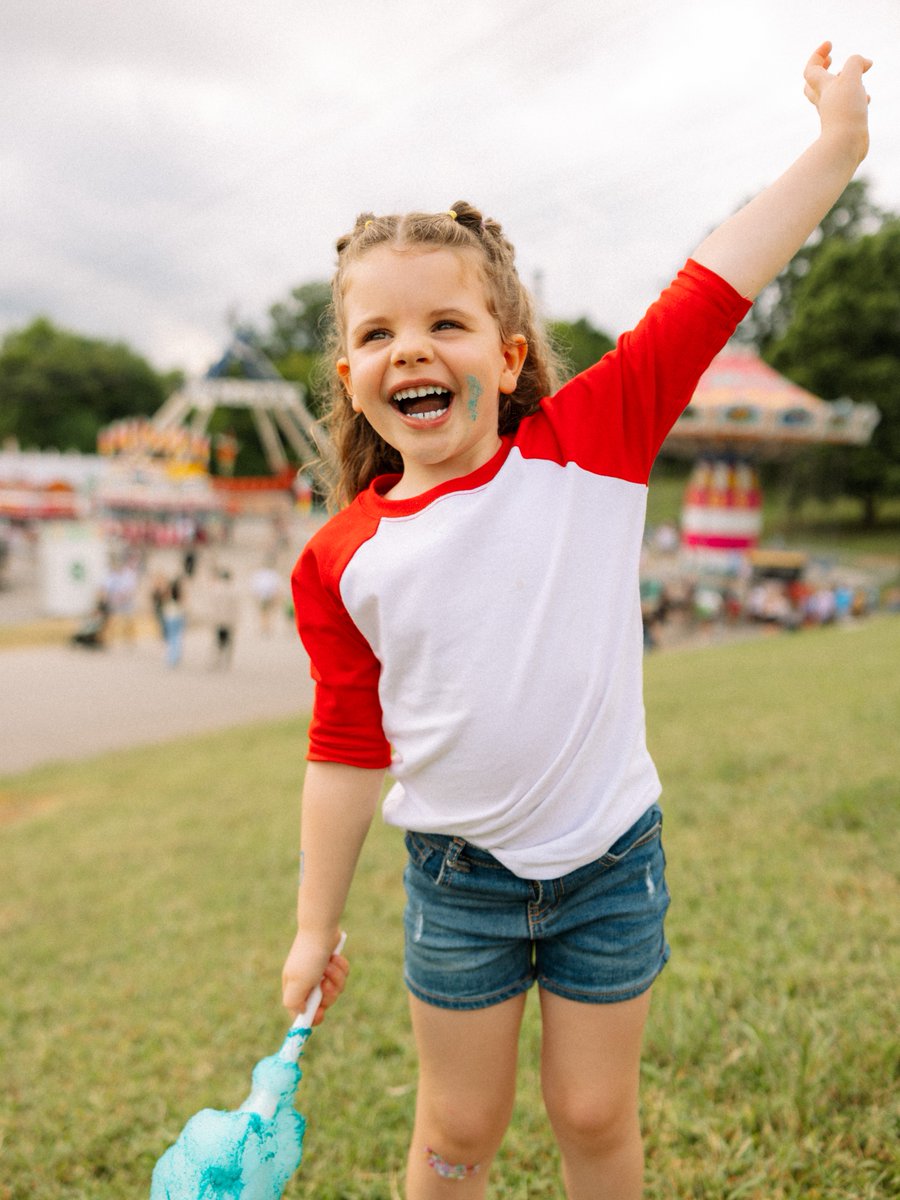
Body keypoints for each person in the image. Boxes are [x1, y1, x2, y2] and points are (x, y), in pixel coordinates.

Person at [281, 44, 872, 1199]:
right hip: (458, 880)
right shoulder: (339, 559)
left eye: (445, 324)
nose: (410, 348)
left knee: (594, 1116)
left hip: (611, 865)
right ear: (351, 374)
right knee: (458, 1128)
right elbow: (346, 749)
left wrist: (836, 147)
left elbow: (714, 282)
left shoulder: (591, 442)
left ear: (506, 360)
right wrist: (313, 926)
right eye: (375, 334)